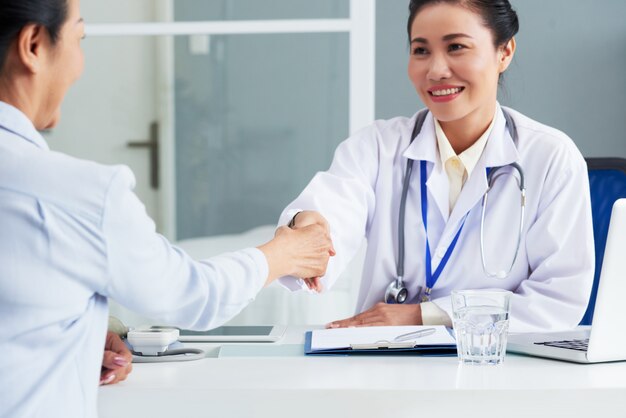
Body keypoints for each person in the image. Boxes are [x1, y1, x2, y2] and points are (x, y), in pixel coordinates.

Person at [0, 0, 334, 416]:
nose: (80, 63)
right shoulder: (79, 193)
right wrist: (283, 254)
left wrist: (73, 333)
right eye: (79, 39)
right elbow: (192, 294)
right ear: (33, 45)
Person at [279, 0, 594, 333]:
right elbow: (330, 214)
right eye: (421, 50)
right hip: (383, 366)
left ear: (504, 52)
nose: (435, 70)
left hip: (497, 369)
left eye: (456, 47)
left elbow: (557, 300)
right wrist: (309, 227)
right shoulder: (377, 147)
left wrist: (426, 315)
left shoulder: (550, 157)